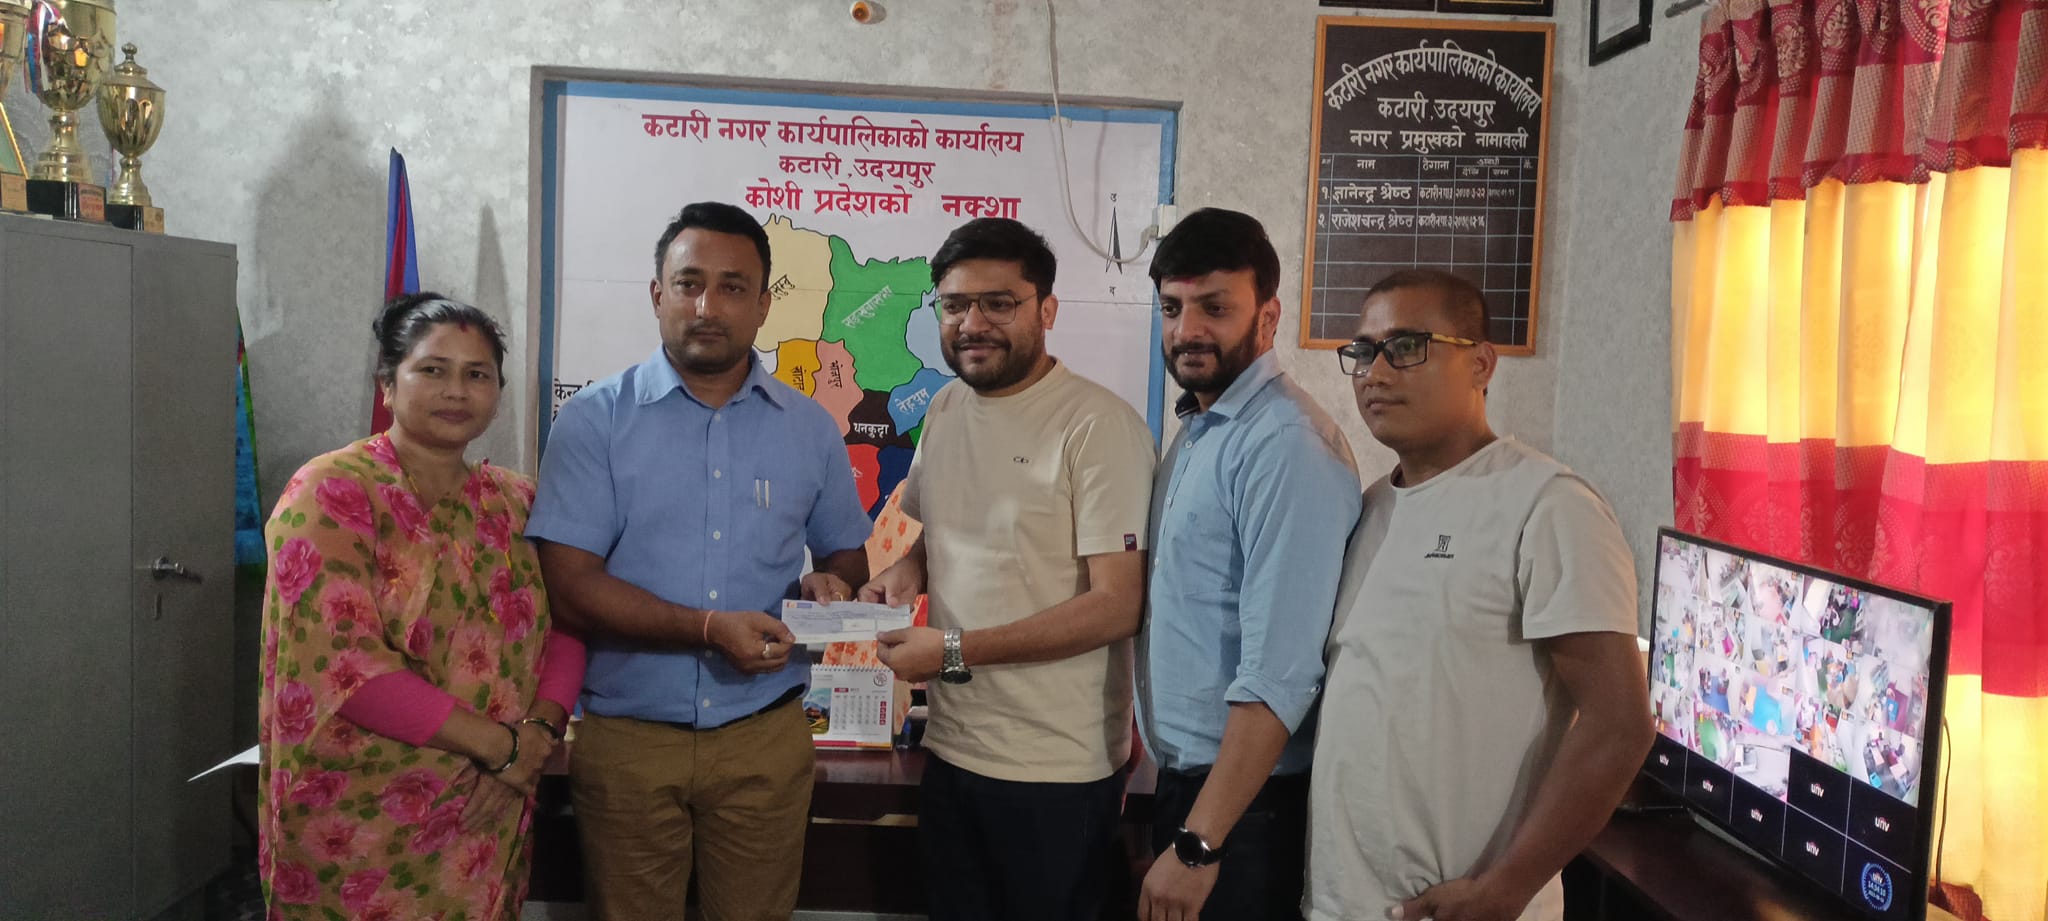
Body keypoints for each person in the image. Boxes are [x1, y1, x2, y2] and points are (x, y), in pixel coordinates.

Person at [529, 202, 873, 921]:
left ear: (764, 304)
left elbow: (846, 555)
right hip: (629, 740)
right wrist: (710, 629)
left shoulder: (810, 429)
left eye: (732, 286)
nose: (708, 306)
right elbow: (571, 588)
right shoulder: (594, 421)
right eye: (689, 284)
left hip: (766, 733)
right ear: (658, 295)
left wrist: (832, 583)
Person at [1307, 270, 1654, 921]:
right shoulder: (1370, 509)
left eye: (1405, 346)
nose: (1374, 372)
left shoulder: (1548, 505)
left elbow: (1620, 725)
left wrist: (1504, 888)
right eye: (1363, 351)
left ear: (1481, 364)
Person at [860, 217, 1156, 921]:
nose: (973, 323)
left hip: (1056, 772)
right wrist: (906, 572)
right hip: (952, 750)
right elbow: (937, 534)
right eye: (955, 304)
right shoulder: (946, 406)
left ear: (1046, 310)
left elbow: (1117, 604)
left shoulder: (1097, 425)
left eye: (999, 303)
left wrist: (953, 649)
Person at [257, 293, 586, 920]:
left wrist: (537, 737)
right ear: (387, 384)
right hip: (359, 816)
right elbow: (345, 665)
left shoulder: (520, 502)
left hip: (489, 806)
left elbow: (569, 624)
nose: (456, 390)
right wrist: (503, 748)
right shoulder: (330, 491)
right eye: (433, 369)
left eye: (477, 374)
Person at [1134, 209, 1360, 921]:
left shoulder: (1285, 445)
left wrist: (1199, 844)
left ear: (1268, 317)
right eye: (1172, 308)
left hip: (1244, 808)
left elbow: (1281, 672)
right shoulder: (1203, 428)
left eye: (1215, 307)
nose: (1187, 330)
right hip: (1197, 789)